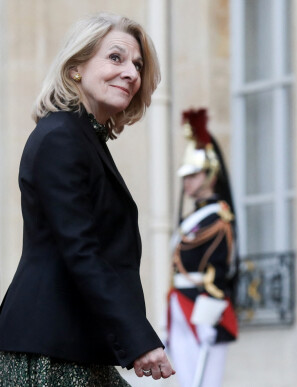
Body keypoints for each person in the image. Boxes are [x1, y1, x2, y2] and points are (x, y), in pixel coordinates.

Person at [0, 12, 176, 385]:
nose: (131, 72)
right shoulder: (61, 137)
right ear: (76, 67)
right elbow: (80, 249)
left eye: (137, 64)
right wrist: (139, 338)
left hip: (72, 346)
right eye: (116, 57)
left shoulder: (80, 137)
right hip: (49, 349)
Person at [166, 108, 239, 387]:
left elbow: (217, 272)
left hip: (204, 311)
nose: (187, 182)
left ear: (210, 175)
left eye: (193, 175)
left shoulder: (218, 219)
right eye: (185, 176)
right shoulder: (193, 218)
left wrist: (208, 319)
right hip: (181, 307)